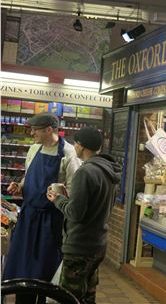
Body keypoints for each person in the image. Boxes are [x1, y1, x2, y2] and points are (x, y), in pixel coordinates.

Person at [3, 113, 82, 303]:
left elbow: (74, 188)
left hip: (51, 221)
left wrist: (59, 196)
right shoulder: (33, 149)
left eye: (35, 130)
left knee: (45, 271)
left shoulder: (68, 153)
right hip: (28, 218)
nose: (31, 133)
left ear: (49, 130)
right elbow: (28, 175)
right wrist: (20, 186)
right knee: (24, 268)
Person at [46, 127, 121, 304]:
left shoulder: (85, 172)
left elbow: (75, 213)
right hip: (98, 244)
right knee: (88, 296)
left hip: (79, 246)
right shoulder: (108, 172)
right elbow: (93, 205)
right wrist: (68, 198)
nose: (74, 147)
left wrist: (57, 200)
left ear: (81, 146)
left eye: (75, 143)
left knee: (69, 297)